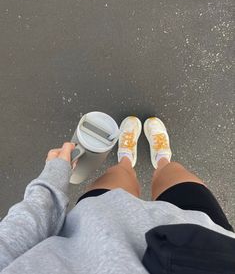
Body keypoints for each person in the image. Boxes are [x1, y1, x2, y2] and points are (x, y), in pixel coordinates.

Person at [0, 116, 234, 274]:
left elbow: (15, 237)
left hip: (99, 228)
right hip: (205, 239)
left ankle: (126, 158)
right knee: (175, 175)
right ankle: (162, 159)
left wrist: (53, 176)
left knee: (119, 175)